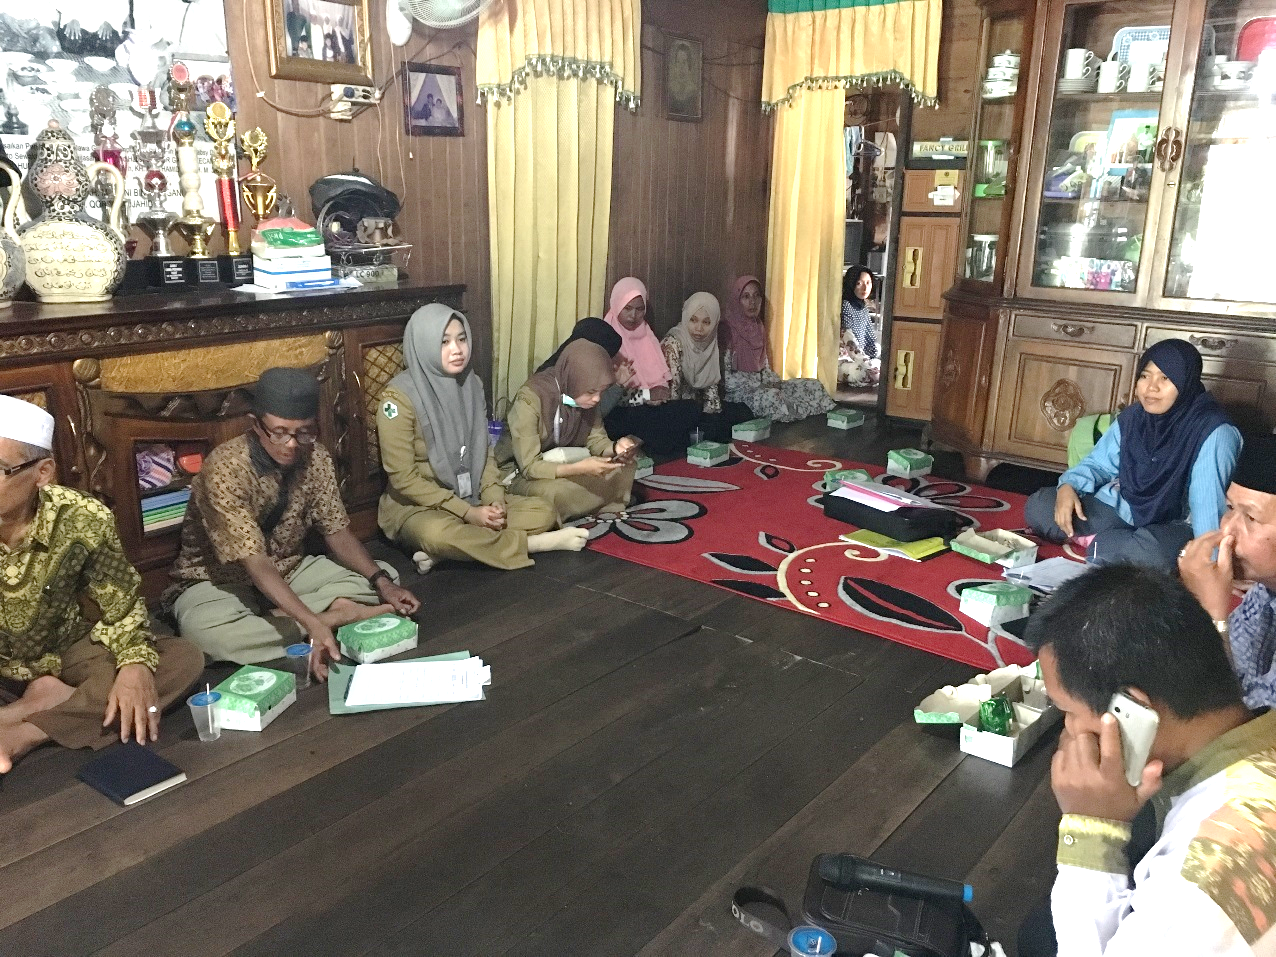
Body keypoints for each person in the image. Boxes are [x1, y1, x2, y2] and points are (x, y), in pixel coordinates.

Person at [1017, 564, 1276, 957]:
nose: (1067, 730)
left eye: (1067, 710)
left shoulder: (1203, 874)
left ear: (1131, 709)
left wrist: (1090, 831)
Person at [167, 368, 420, 680]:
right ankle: (335, 617)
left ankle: (293, 620)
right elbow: (255, 562)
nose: (291, 444)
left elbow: (337, 532)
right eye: (279, 432)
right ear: (255, 424)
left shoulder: (316, 458)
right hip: (217, 580)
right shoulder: (225, 468)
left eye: (303, 432)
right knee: (206, 636)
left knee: (382, 574)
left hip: (288, 568)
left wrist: (383, 583)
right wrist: (313, 622)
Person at [0, 395, 203, 773]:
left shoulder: (81, 517)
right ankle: (42, 704)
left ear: (42, 473)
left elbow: (121, 602)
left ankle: (28, 730)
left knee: (181, 660)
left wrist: (135, 664)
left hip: (63, 647)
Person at [377, 304, 586, 575]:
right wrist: (467, 513)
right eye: (444, 342)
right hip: (419, 507)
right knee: (437, 534)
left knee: (543, 512)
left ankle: (450, 553)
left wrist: (494, 498)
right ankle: (532, 545)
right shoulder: (397, 400)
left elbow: (483, 451)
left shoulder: (471, 384)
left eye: (461, 339)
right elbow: (403, 479)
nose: (457, 349)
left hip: (471, 496)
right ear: (423, 345)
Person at [1024, 339, 1241, 570]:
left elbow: (1207, 507)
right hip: (1126, 504)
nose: (1151, 388)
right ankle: (1108, 545)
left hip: (1174, 521)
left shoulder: (1214, 431)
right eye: (1145, 376)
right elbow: (1099, 464)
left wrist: (1211, 563)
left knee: (1152, 554)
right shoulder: (1134, 418)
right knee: (1040, 506)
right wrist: (1068, 486)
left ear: (1186, 382)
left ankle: (1101, 542)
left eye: (1165, 378)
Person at [1178, 433, 1276, 710]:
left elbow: (1245, 719)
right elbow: (1233, 676)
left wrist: (1211, 612)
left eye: (1251, 517)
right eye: (1230, 508)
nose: (1227, 530)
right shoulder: (1264, 593)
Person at [503, 339, 638, 524]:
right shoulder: (530, 399)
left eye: (601, 392)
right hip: (522, 475)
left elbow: (597, 440)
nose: (597, 399)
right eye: (591, 392)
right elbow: (529, 467)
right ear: (574, 380)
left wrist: (616, 448)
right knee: (556, 493)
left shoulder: (586, 395)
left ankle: (588, 503)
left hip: (565, 462)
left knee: (625, 467)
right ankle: (597, 501)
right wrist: (579, 468)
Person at [601, 277, 703, 456]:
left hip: (649, 408)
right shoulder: (606, 337)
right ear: (616, 305)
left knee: (691, 409)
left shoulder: (647, 335)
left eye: (640, 309)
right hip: (621, 410)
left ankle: (640, 441)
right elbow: (608, 399)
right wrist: (646, 395)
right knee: (649, 421)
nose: (633, 316)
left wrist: (659, 396)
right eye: (627, 308)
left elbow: (661, 386)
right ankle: (644, 442)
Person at [721, 274, 836, 423]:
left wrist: (771, 380)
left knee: (813, 385)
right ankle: (800, 411)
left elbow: (764, 366)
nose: (752, 302)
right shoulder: (727, 331)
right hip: (741, 393)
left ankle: (801, 412)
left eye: (756, 296)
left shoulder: (758, 328)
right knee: (774, 397)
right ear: (737, 300)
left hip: (764, 385)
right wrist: (759, 384)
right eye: (746, 297)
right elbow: (726, 378)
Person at [661, 292, 752, 438]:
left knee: (742, 412)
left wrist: (712, 417)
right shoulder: (673, 344)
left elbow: (712, 397)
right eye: (693, 320)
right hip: (676, 412)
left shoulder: (710, 343)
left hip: (699, 410)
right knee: (694, 417)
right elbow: (672, 396)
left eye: (706, 322)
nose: (699, 328)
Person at [537, 317, 631, 419]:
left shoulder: (575, 369)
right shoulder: (549, 382)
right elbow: (586, 415)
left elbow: (593, 415)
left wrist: (617, 384)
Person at [840, 265, 880, 362]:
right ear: (851, 284)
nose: (865, 288)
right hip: (847, 358)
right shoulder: (846, 305)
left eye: (868, 283)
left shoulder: (863, 307)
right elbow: (848, 338)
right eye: (859, 283)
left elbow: (870, 337)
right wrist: (864, 361)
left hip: (861, 357)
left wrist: (874, 353)